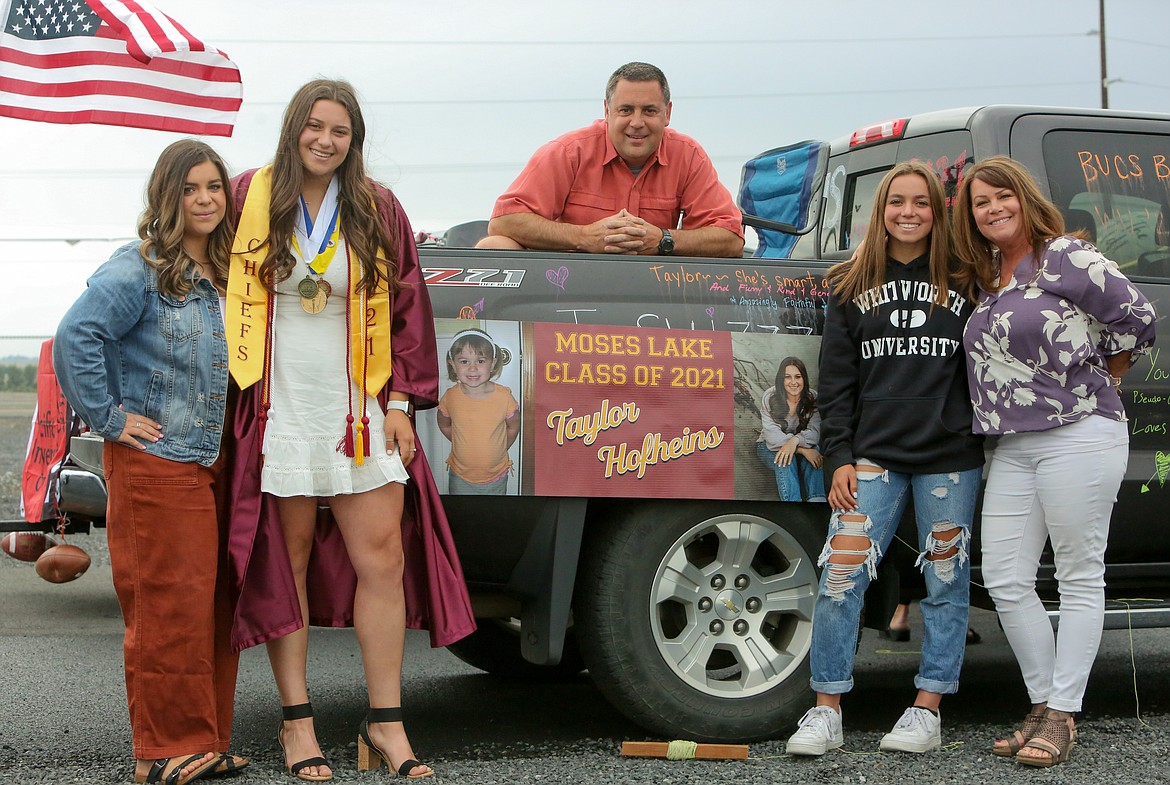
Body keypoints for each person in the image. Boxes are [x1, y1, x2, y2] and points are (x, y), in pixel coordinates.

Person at [224, 79, 475, 781]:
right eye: (315, 126)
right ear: (293, 129)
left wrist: (401, 401)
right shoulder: (251, 196)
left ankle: (385, 722)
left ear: (353, 140)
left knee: (382, 559)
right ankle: (297, 722)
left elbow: (408, 307)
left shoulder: (375, 206)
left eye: (340, 130)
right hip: (280, 406)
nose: (326, 141)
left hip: (359, 407)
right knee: (290, 559)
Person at [54, 140, 246, 785]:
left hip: (216, 460)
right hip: (156, 461)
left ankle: (205, 740)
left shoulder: (225, 271)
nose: (205, 199)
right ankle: (162, 752)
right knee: (167, 606)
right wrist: (109, 419)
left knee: (214, 605)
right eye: (190, 188)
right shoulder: (139, 268)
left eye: (214, 187)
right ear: (167, 195)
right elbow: (78, 335)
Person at [954, 156, 1157, 767]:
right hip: (1013, 443)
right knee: (1007, 578)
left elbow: (1138, 317)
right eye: (979, 203)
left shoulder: (1064, 255)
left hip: (1080, 433)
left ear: (1024, 197)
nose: (992, 209)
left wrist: (1106, 375)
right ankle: (1043, 705)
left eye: (1001, 197)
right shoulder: (987, 273)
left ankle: (1063, 714)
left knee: (1077, 573)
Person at [785, 162, 984, 757]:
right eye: (896, 201)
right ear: (880, 209)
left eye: (921, 202)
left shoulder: (965, 279)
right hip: (871, 455)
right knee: (841, 578)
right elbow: (836, 381)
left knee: (946, 582)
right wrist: (839, 455)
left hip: (949, 455)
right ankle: (826, 711)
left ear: (937, 211)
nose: (908, 212)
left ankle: (927, 709)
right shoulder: (850, 281)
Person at [477, 62, 744, 258]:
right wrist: (584, 237)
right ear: (607, 110)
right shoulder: (569, 151)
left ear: (667, 113)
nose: (637, 123)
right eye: (625, 110)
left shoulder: (688, 155)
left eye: (649, 111)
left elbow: (731, 239)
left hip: (658, 290)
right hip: (565, 286)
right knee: (493, 246)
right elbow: (504, 221)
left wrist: (662, 239)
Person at [436, 328, 520, 495]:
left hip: (496, 476)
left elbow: (513, 427)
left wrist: (500, 447)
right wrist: (460, 442)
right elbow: (444, 423)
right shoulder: (450, 397)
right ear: (453, 364)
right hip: (460, 477)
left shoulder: (504, 397)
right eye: (464, 361)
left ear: (493, 362)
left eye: (480, 361)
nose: (472, 368)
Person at [755, 356, 826, 502]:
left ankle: (817, 500)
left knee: (815, 451)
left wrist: (795, 441)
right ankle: (793, 504)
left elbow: (815, 431)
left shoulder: (812, 398)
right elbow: (772, 436)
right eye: (788, 377)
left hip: (800, 442)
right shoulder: (770, 396)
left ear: (804, 379)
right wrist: (801, 449)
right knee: (786, 458)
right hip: (769, 446)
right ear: (782, 380)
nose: (793, 382)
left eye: (798, 377)